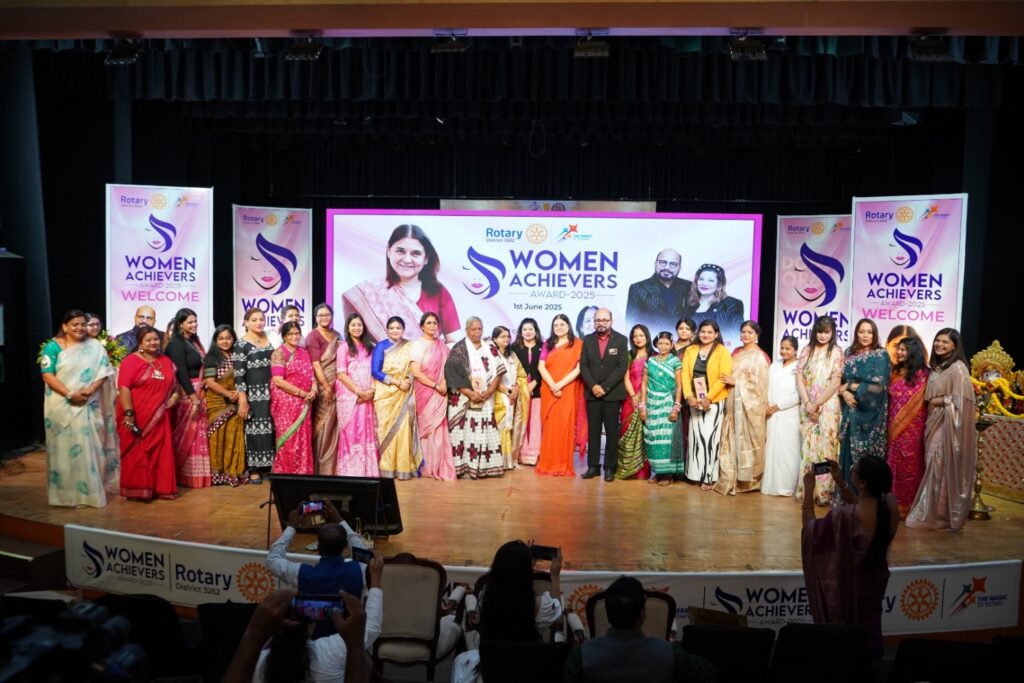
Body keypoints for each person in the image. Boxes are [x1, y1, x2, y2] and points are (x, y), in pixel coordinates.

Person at [802, 458, 899, 660]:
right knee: (870, 625)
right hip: (876, 580)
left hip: (852, 587)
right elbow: (862, 510)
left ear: (862, 482)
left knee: (847, 636)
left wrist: (808, 491)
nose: (851, 469)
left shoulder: (843, 516)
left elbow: (811, 531)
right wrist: (840, 481)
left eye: (854, 469)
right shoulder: (889, 506)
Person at [563, 575, 717, 683]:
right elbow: (709, 674)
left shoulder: (580, 657)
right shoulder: (670, 655)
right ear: (642, 615)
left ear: (607, 614)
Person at [451, 540, 564, 683]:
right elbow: (557, 621)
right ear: (527, 571)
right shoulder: (541, 606)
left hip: (494, 669)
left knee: (459, 662)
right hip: (528, 670)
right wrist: (555, 577)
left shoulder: (485, 598)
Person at [39, 309, 119, 507]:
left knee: (91, 449)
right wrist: (69, 394)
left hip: (89, 403)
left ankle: (90, 495)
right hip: (61, 406)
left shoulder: (95, 347)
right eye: (75, 324)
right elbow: (47, 375)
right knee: (63, 451)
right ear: (65, 327)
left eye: (83, 324)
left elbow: (104, 372)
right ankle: (64, 496)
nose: (80, 328)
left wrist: (90, 390)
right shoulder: (52, 347)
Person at [906, 329, 978, 531]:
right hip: (932, 421)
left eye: (945, 342)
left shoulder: (958, 368)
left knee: (939, 464)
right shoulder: (938, 368)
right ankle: (936, 511)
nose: (939, 344)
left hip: (948, 424)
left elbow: (963, 401)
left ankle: (940, 514)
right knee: (933, 462)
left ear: (955, 345)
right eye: (937, 340)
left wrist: (939, 401)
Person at [342, 224, 461, 342]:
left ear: (426, 258)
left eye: (416, 253)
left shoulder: (438, 292)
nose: (407, 259)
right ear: (389, 252)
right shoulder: (368, 293)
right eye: (400, 251)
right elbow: (356, 344)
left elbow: (454, 341)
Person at [224, 589, 371, 683]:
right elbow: (372, 628)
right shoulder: (332, 652)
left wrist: (253, 636)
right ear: (311, 626)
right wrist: (355, 647)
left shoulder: (256, 663)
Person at [116, 327, 178, 500]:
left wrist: (175, 395)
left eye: (156, 339)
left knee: (160, 453)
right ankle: (138, 490)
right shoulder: (131, 361)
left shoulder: (165, 361)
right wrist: (129, 413)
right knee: (138, 453)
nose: (153, 343)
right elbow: (124, 388)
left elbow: (174, 385)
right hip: (136, 415)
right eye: (148, 340)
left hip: (160, 416)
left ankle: (159, 489)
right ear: (140, 343)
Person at [266, 501, 371, 596]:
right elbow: (361, 549)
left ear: (318, 547)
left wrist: (291, 526)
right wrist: (339, 519)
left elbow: (272, 559)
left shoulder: (302, 574)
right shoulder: (360, 570)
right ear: (345, 546)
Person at [445, 317, 505, 479]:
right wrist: (471, 394)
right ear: (466, 331)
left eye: (480, 329)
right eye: (473, 329)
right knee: (464, 434)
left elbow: (499, 370)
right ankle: (464, 468)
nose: (477, 332)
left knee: (483, 433)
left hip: (485, 398)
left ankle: (485, 467)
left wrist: (490, 391)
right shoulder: (459, 349)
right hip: (464, 400)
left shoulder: (490, 347)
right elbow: (452, 375)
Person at [715, 320, 770, 495]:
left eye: (750, 332)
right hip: (732, 403)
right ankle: (731, 477)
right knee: (730, 439)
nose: (746, 335)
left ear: (756, 335)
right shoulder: (736, 353)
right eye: (743, 332)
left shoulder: (760, 357)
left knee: (747, 441)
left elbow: (760, 386)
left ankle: (747, 481)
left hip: (749, 408)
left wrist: (736, 382)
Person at [796, 315, 844, 506]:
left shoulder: (837, 352)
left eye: (827, 332)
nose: (823, 335)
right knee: (809, 448)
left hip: (828, 406)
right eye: (820, 332)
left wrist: (817, 403)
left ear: (832, 333)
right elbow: (799, 377)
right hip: (807, 405)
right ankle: (808, 490)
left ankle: (824, 492)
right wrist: (808, 402)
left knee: (826, 448)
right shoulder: (806, 350)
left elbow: (835, 381)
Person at [838, 318, 891, 487]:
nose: (866, 335)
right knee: (846, 456)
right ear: (856, 333)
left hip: (870, 417)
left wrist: (852, 386)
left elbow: (879, 388)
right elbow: (840, 381)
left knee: (868, 463)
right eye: (862, 332)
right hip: (850, 412)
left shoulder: (881, 355)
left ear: (875, 334)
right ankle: (847, 495)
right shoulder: (849, 353)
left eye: (869, 332)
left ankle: (867, 497)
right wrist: (844, 392)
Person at [579, 308, 630, 482]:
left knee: (611, 432)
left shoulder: (621, 340)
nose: (601, 323)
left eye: (604, 320)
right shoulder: (587, 340)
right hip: (592, 394)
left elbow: (621, 367)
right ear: (594, 322)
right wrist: (593, 386)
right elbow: (584, 366)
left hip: (612, 395)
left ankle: (610, 468)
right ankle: (593, 467)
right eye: (598, 320)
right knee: (593, 432)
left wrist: (605, 387)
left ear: (611, 321)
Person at [681, 320, 733, 490]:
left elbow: (723, 378)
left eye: (710, 332)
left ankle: (709, 477)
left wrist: (709, 398)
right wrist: (688, 396)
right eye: (703, 331)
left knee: (710, 439)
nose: (706, 335)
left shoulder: (722, 351)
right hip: (694, 400)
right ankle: (695, 475)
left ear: (716, 334)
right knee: (696, 438)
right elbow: (685, 374)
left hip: (714, 400)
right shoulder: (691, 349)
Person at [165, 307, 210, 489]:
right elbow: (181, 373)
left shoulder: (194, 342)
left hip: (199, 392)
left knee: (199, 434)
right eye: (190, 322)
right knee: (188, 434)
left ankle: (199, 476)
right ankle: (185, 476)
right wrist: (194, 398)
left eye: (195, 321)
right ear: (180, 324)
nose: (194, 324)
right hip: (187, 394)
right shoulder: (176, 344)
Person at [372, 316, 421, 479]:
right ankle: (387, 467)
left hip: (404, 392)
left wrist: (407, 381)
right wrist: (397, 382)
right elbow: (375, 371)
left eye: (398, 328)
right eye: (392, 328)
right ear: (387, 330)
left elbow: (414, 369)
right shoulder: (381, 346)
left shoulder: (409, 346)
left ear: (403, 330)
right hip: (386, 394)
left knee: (403, 430)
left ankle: (403, 467)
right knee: (386, 431)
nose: (395, 331)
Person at [886, 336, 930, 518]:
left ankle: (909, 506)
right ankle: (891, 505)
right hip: (893, 427)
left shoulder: (924, 375)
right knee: (892, 466)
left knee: (910, 467)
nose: (899, 352)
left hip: (914, 429)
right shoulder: (894, 372)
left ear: (913, 352)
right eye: (898, 349)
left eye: (903, 349)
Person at [409, 312, 455, 480]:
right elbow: (415, 372)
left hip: (440, 391)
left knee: (439, 428)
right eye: (428, 323)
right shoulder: (417, 345)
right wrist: (435, 385)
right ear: (422, 326)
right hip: (425, 391)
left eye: (435, 323)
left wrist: (443, 384)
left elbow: (447, 369)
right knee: (427, 428)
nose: (432, 326)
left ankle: (439, 464)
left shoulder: (442, 346)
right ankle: (426, 466)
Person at [536, 314, 583, 477]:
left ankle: (563, 464)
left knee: (564, 426)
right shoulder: (548, 344)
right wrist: (553, 385)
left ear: (568, 326)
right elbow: (541, 367)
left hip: (567, 390)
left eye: (562, 324)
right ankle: (547, 463)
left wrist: (560, 384)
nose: (559, 328)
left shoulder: (577, 344)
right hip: (549, 390)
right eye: (556, 325)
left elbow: (579, 368)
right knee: (550, 428)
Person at [335, 314, 380, 478]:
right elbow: (341, 374)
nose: (356, 328)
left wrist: (371, 391)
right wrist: (359, 392)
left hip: (368, 397)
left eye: (359, 325)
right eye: (353, 325)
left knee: (367, 431)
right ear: (347, 328)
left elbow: (375, 371)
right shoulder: (343, 347)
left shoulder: (371, 347)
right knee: (352, 431)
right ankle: (350, 471)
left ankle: (368, 470)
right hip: (350, 398)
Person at [235, 308, 277, 483]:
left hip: (274, 393)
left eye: (261, 319)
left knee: (272, 429)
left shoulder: (271, 338)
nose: (259, 323)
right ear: (246, 322)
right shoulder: (241, 344)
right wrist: (243, 400)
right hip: (254, 395)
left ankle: (270, 467)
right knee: (255, 430)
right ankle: (254, 469)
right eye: (254, 320)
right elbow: (239, 375)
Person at [203, 325, 247, 487]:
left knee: (234, 436)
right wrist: (229, 394)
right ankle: (217, 474)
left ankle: (233, 472)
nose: (225, 341)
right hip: (217, 401)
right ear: (216, 341)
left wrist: (239, 394)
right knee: (217, 437)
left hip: (236, 400)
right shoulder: (211, 357)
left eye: (228, 338)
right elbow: (210, 382)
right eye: (221, 338)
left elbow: (244, 377)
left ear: (234, 339)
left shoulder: (238, 356)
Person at [270, 321, 316, 475]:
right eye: (290, 334)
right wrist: (302, 393)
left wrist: (314, 390)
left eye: (297, 333)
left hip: (305, 403)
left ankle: (303, 473)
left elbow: (311, 375)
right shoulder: (279, 353)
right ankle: (285, 474)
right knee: (289, 439)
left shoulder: (304, 353)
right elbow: (278, 381)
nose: (294, 336)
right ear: (284, 336)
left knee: (303, 438)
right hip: (286, 403)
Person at [762, 336, 802, 496]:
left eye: (788, 348)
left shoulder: (800, 366)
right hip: (771, 413)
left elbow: (800, 393)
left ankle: (786, 486)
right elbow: (766, 386)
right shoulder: (774, 365)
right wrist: (767, 403)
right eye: (782, 348)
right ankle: (770, 486)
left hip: (789, 414)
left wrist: (779, 406)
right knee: (772, 449)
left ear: (796, 350)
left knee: (788, 451)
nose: (784, 351)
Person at [642, 331, 684, 485]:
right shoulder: (650, 361)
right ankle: (657, 471)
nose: (663, 346)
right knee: (652, 438)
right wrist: (642, 405)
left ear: (672, 345)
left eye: (667, 344)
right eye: (660, 343)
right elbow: (644, 384)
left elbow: (679, 386)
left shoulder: (675, 362)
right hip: (652, 404)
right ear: (656, 344)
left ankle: (668, 474)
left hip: (667, 403)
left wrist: (676, 407)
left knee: (666, 440)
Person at [614, 325, 653, 480]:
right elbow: (625, 377)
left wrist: (642, 396)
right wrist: (633, 396)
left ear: (647, 337)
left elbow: (654, 379)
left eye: (641, 335)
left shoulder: (654, 356)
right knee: (626, 430)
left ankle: (642, 471)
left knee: (645, 434)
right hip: (629, 399)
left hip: (648, 398)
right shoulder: (628, 355)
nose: (638, 339)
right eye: (635, 336)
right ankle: (625, 469)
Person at [306, 303, 341, 476]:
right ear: (315, 317)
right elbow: (316, 364)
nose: (324, 318)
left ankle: (333, 466)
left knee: (335, 424)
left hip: (339, 384)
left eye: (327, 315)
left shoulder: (337, 335)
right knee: (323, 423)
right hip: (323, 386)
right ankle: (321, 466)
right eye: (320, 315)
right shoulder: (313, 336)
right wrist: (326, 387)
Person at [625, 249, 692, 336]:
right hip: (651, 340)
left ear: (679, 268)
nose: (667, 267)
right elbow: (631, 323)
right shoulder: (638, 288)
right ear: (655, 264)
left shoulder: (690, 287)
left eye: (673, 264)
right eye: (663, 262)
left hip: (683, 341)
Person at [493, 326, 531, 471]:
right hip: (497, 397)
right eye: (502, 336)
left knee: (511, 428)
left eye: (508, 336)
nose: (506, 339)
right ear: (495, 338)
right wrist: (507, 391)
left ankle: (508, 461)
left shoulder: (512, 355)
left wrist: (516, 390)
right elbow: (489, 378)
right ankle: (497, 462)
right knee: (500, 428)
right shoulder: (491, 355)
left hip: (513, 397)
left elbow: (521, 375)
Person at [683, 264, 744, 344]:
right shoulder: (687, 304)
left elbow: (735, 336)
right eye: (701, 279)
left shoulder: (731, 304)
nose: (704, 283)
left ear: (719, 285)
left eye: (710, 280)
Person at [511, 318, 544, 466]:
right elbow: (512, 369)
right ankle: (521, 454)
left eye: (531, 329)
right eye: (525, 329)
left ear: (536, 331)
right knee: (521, 420)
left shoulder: (543, 347)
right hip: (519, 389)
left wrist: (534, 383)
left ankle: (535, 454)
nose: (528, 332)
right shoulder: (514, 348)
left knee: (536, 421)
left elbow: (545, 368)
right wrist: (523, 386)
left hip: (538, 389)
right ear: (520, 332)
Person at [667, 317, 696, 480]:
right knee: (668, 431)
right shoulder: (669, 346)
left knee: (684, 431)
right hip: (667, 392)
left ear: (693, 332)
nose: (684, 331)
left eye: (687, 329)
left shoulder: (695, 348)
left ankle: (683, 470)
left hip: (686, 394)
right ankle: (666, 470)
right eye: (681, 328)